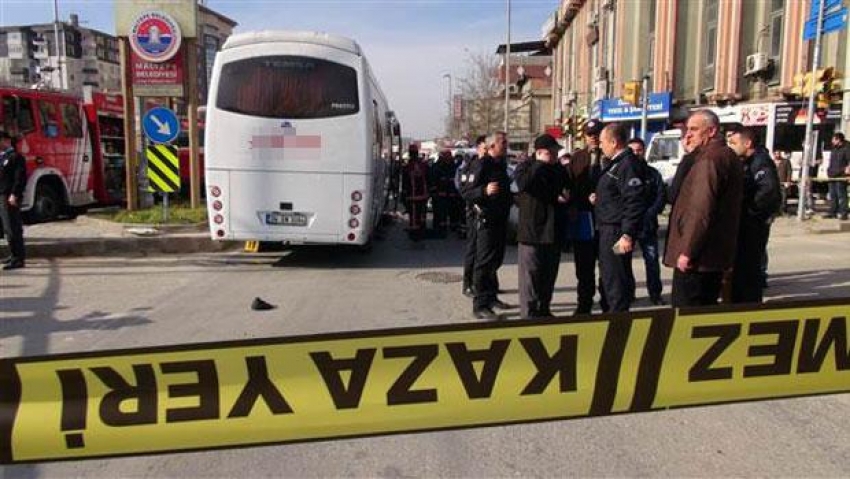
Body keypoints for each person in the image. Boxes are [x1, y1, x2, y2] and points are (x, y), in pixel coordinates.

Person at [664, 111, 744, 307]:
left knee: (687, 313)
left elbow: (701, 209)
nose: (688, 135)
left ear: (711, 131)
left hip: (699, 260)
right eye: (687, 130)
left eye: (694, 130)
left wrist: (688, 250)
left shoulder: (710, 160)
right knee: (704, 310)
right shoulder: (722, 155)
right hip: (711, 256)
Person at [591, 124, 646, 312]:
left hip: (616, 231)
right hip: (606, 228)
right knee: (607, 278)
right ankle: (610, 317)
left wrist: (627, 234)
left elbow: (634, 200)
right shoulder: (614, 164)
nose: (600, 146)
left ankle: (618, 326)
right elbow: (616, 195)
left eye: (602, 142)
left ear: (614, 142)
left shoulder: (627, 164)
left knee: (616, 281)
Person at [514, 134, 566, 319]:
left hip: (553, 231)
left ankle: (544, 309)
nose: (554, 156)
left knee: (548, 275)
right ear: (539, 153)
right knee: (530, 277)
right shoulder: (525, 167)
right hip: (532, 232)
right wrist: (539, 164)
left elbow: (565, 187)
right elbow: (523, 184)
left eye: (555, 153)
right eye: (551, 153)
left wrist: (565, 195)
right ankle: (528, 314)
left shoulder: (558, 169)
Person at [461, 132, 512, 320]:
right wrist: (483, 190)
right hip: (486, 221)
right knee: (483, 262)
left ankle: (491, 297)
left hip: (500, 219)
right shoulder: (481, 165)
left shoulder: (501, 165)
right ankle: (480, 304)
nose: (506, 145)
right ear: (491, 146)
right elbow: (466, 192)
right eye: (502, 143)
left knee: (495, 261)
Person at [727, 127, 781, 304]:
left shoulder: (760, 162)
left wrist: (750, 212)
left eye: (734, 143)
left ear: (747, 143)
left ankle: (749, 305)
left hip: (752, 226)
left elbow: (769, 191)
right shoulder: (748, 161)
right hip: (746, 225)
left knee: (749, 270)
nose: (731, 147)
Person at [564, 120, 605, 314]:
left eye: (597, 133)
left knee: (607, 266)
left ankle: (608, 302)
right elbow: (569, 187)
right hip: (583, 218)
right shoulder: (578, 158)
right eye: (590, 134)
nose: (594, 137)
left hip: (606, 220)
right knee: (584, 267)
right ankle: (584, 304)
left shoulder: (611, 157)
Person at [628, 137, 666, 305]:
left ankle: (655, 294)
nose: (636, 153)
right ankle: (628, 294)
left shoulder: (652, 173)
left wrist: (650, 213)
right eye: (632, 150)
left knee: (651, 261)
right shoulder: (622, 172)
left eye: (639, 150)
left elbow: (661, 196)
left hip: (648, 225)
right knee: (623, 262)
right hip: (628, 226)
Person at [458, 136, 488, 296]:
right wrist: (481, 193)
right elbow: (465, 191)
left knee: (488, 253)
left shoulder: (493, 165)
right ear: (478, 148)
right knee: (473, 249)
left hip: (491, 216)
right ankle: (468, 283)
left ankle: (489, 286)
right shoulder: (472, 166)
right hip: (475, 213)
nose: (488, 151)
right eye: (485, 148)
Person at [0, 131, 27, 270]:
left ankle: (18, 258)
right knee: (6, 227)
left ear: (6, 141)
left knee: (13, 227)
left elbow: (20, 178)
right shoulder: (2, 157)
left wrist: (14, 194)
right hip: (1, 195)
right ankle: (13, 253)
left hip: (9, 196)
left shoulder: (15, 157)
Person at [402, 145, 429, 240]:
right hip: (423, 196)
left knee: (413, 216)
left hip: (412, 196)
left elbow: (404, 183)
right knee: (422, 215)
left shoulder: (407, 167)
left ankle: (414, 234)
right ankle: (422, 232)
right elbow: (429, 179)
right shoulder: (424, 165)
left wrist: (404, 195)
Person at [429, 150, 457, 237]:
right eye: (446, 157)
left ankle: (451, 227)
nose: (448, 159)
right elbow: (433, 181)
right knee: (439, 213)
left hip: (451, 195)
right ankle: (439, 229)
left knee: (452, 212)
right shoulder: (437, 167)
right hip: (440, 195)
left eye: (449, 157)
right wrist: (434, 193)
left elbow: (455, 180)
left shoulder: (453, 167)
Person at [825, 132, 849, 220]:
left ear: (838, 140)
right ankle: (832, 212)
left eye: (833, 139)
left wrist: (847, 171)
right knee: (832, 195)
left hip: (841, 175)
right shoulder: (834, 149)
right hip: (832, 175)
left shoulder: (846, 148)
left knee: (841, 195)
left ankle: (843, 213)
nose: (832, 141)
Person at [773, 150, 793, 216]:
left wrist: (788, 181)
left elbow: (789, 171)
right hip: (774, 183)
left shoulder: (786, 161)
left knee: (783, 197)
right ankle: (776, 212)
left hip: (783, 182)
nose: (777, 155)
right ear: (774, 154)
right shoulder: (772, 162)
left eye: (778, 153)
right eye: (776, 153)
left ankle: (783, 211)